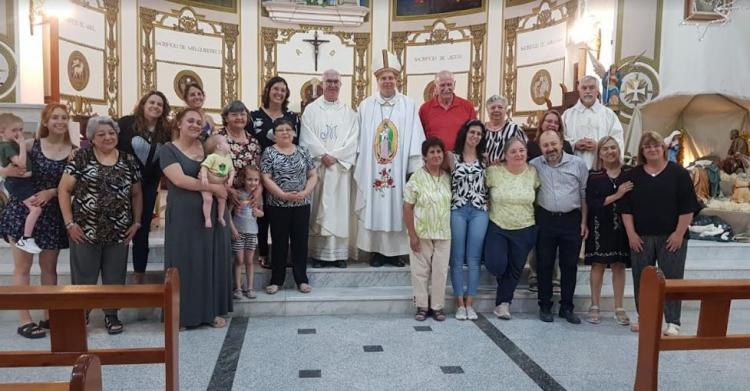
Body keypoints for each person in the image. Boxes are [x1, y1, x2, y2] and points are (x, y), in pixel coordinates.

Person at [58, 116, 142, 335]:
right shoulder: (81, 158)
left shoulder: (128, 160)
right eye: (101, 134)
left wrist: (137, 221)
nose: (107, 137)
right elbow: (64, 190)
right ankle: (81, 313)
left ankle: (111, 315)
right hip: (84, 229)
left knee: (115, 275)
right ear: (92, 138)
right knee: (84, 274)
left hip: (119, 230)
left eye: (111, 133)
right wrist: (69, 223)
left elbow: (136, 193)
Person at [0, 103, 74, 339]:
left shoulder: (73, 151)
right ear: (46, 121)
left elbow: (74, 185)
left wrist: (51, 192)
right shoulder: (32, 145)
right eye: (55, 117)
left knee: (49, 270)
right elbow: (6, 162)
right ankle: (24, 320)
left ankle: (49, 315)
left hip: (51, 214)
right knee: (22, 268)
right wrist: (6, 173)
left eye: (64, 117)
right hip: (23, 211)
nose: (60, 121)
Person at [159, 108, 233, 328]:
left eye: (199, 122)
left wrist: (224, 186)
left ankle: (209, 312)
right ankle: (180, 315)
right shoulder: (168, 149)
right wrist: (214, 188)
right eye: (190, 121)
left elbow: (223, 167)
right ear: (178, 124)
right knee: (184, 263)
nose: (195, 125)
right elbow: (179, 180)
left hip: (210, 214)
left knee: (209, 261)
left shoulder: (207, 146)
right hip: (183, 214)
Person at [621, 131, 699, 335]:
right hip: (641, 238)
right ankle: (644, 317)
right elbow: (626, 208)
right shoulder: (633, 175)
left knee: (672, 279)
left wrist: (678, 234)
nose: (652, 149)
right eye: (647, 147)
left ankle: (673, 321)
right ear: (642, 151)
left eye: (655, 145)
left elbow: (688, 207)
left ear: (662, 148)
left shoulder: (679, 174)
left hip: (671, 237)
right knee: (642, 280)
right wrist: (631, 234)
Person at [355, 50, 426, 267]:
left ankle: (396, 253)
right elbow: (358, 139)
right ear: (377, 80)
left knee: (397, 207)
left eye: (391, 78)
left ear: (397, 80)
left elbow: (416, 136)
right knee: (376, 205)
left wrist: (413, 167)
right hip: (372, 167)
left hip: (398, 167)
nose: (388, 81)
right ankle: (376, 252)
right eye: (384, 78)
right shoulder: (365, 106)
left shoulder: (408, 104)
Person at [299, 69, 359, 268]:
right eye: (329, 81)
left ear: (341, 85)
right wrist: (322, 154)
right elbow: (306, 136)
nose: (332, 85)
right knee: (318, 209)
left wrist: (336, 156)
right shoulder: (311, 110)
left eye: (336, 82)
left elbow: (354, 139)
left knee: (339, 211)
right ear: (322, 85)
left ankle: (339, 255)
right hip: (319, 168)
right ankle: (318, 254)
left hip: (340, 169)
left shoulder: (349, 112)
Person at [530, 129, 589, 324]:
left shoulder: (578, 164)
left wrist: (583, 222)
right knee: (544, 265)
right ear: (540, 148)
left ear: (561, 142)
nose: (550, 149)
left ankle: (567, 307)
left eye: (553, 144)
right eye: (545, 145)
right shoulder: (534, 165)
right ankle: (545, 306)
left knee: (569, 266)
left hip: (571, 220)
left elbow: (583, 195)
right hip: (545, 219)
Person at [117, 91, 172, 284]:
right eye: (152, 102)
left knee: (141, 229)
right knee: (119, 229)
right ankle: (115, 274)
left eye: (160, 104)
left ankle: (139, 275)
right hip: (122, 184)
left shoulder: (165, 130)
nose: (155, 106)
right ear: (143, 104)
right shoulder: (126, 123)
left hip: (148, 186)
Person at [260, 118, 318, 294]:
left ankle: (302, 280)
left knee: (300, 242)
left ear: (294, 132)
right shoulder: (269, 152)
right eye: (280, 130)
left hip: (302, 203)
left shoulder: (303, 151)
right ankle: (277, 280)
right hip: (277, 204)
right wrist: (282, 195)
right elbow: (265, 177)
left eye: (288, 129)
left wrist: (305, 192)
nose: (285, 132)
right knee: (279, 242)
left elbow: (313, 175)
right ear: (274, 134)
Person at [248, 77, 301, 269]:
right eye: (276, 89)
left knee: (284, 216)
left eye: (283, 90)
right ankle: (263, 252)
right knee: (263, 214)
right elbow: (247, 141)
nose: (279, 93)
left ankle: (284, 253)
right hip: (260, 174)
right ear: (268, 90)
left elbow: (298, 144)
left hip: (286, 175)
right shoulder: (253, 116)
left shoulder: (293, 118)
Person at [484, 137, 539, 320]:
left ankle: (503, 304)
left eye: (521, 150)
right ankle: (503, 291)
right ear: (505, 155)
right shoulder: (493, 172)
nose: (518, 154)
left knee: (515, 269)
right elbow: (480, 189)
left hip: (525, 227)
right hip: (498, 225)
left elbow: (538, 195)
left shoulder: (533, 173)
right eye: (513, 151)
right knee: (496, 264)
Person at [584, 136, 632, 325]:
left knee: (619, 265)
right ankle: (594, 305)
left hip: (622, 225)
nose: (610, 151)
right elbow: (593, 203)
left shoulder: (628, 173)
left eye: (613, 148)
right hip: (599, 226)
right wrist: (617, 195)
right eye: (605, 149)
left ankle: (619, 307)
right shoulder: (594, 175)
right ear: (600, 154)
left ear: (618, 150)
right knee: (598, 265)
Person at [403, 138, 452, 322]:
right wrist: (412, 235)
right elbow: (407, 207)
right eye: (432, 152)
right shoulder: (416, 177)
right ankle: (422, 306)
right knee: (420, 272)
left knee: (440, 272)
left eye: (439, 151)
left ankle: (437, 307)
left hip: (443, 234)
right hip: (421, 233)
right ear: (424, 156)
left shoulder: (448, 178)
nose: (436, 155)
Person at [526, 109, 571, 292]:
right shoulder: (531, 145)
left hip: (559, 196)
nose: (551, 124)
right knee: (538, 239)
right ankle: (535, 274)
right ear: (541, 124)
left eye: (555, 122)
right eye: (548, 121)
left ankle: (556, 276)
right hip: (537, 196)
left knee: (557, 242)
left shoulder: (566, 146)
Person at [447, 119, 488, 321]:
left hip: (479, 210)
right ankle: (459, 303)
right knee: (457, 257)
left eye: (479, 134)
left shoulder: (485, 159)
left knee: (473, 259)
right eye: (472, 132)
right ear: (465, 133)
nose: (475, 137)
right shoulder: (452, 157)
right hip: (458, 209)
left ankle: (470, 302)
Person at [562, 75, 624, 170]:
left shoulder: (609, 115)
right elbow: (560, 139)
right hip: (573, 170)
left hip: (602, 170)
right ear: (579, 90)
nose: (587, 91)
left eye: (591, 87)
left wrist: (599, 146)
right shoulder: (567, 115)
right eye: (584, 88)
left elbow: (618, 140)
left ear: (597, 91)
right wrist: (574, 145)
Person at [0, 114, 42, 253]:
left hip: (22, 182)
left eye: (20, 130)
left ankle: (27, 238)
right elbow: (21, 163)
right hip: (17, 183)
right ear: (2, 132)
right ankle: (26, 238)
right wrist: (23, 146)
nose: (19, 134)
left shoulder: (11, 144)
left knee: (36, 208)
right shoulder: (7, 146)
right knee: (35, 209)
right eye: (14, 130)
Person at [229, 166, 264, 300]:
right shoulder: (237, 194)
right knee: (239, 260)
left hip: (252, 232)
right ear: (243, 179)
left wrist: (258, 212)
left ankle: (250, 287)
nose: (253, 183)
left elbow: (262, 213)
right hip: (239, 232)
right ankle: (237, 287)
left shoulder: (256, 196)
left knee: (249, 261)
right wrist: (233, 230)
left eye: (256, 180)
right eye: (250, 179)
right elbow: (228, 214)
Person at [418, 70, 476, 150]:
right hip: (435, 159)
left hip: (460, 158)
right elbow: (419, 137)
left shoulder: (467, 106)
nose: (446, 88)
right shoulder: (424, 109)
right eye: (442, 85)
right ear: (435, 87)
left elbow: (475, 134)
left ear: (454, 85)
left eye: (449, 85)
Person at [199, 135, 235, 228]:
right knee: (208, 199)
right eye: (226, 142)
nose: (229, 144)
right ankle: (207, 218)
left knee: (222, 199)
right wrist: (204, 177)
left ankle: (220, 217)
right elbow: (204, 167)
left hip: (220, 184)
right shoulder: (212, 157)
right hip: (208, 184)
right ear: (219, 146)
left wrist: (231, 178)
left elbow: (231, 170)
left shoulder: (228, 158)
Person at [484, 95, 526, 164]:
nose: (496, 110)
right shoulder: (481, 129)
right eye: (493, 107)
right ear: (487, 110)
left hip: (508, 170)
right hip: (483, 171)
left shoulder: (514, 129)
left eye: (500, 107)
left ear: (506, 110)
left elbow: (524, 151)